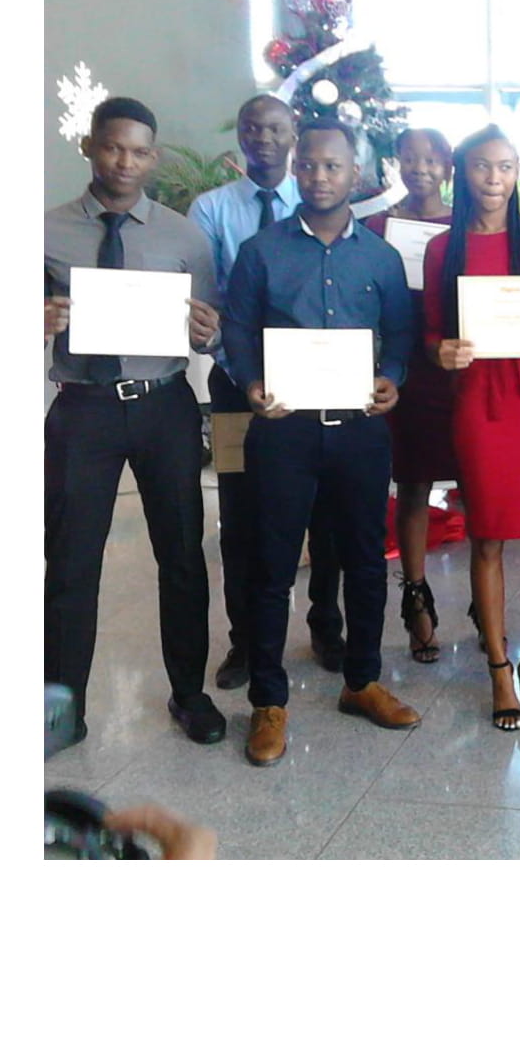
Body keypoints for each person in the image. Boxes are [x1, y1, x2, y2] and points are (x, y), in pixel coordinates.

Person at [222, 119, 421, 766]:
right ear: (294, 169)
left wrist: (392, 378)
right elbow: (238, 328)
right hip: (284, 429)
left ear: (355, 175)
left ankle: (362, 682)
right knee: (272, 565)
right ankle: (268, 701)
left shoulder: (380, 257)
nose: (319, 176)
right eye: (308, 165)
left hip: (360, 429)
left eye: (332, 166)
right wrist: (251, 382)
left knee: (365, 560)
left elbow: (400, 332)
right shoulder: (261, 251)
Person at [44, 96, 226, 746]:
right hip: (82, 409)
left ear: (154, 157)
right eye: (113, 147)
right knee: (71, 564)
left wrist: (208, 332)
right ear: (89, 146)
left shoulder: (184, 236)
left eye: (140, 151)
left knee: (181, 557)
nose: (125, 162)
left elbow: (211, 328)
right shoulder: (45, 232)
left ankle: (190, 695)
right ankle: (62, 710)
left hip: (163, 406)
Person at [425, 127, 520, 731]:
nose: (495, 179)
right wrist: (441, 351)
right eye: (483, 166)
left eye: (507, 166)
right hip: (481, 406)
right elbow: (430, 332)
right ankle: (498, 667)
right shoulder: (443, 248)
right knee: (487, 538)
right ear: (462, 173)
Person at [190, 94, 345, 693]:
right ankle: (246, 642)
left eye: (275, 128)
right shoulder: (211, 210)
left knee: (325, 511)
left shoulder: (318, 206)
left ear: (294, 135)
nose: (262, 138)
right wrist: (250, 376)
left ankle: (325, 626)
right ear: (240, 133)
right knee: (240, 518)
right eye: (251, 127)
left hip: (317, 386)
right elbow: (210, 307)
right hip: (237, 388)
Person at [365, 126, 457, 662]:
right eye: (410, 158)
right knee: (414, 483)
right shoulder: (378, 227)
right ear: (397, 163)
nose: (420, 168)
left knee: (479, 486)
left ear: (447, 167)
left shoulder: (467, 227)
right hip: (406, 371)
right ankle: (416, 599)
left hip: (459, 367)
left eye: (431, 159)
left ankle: (486, 602)